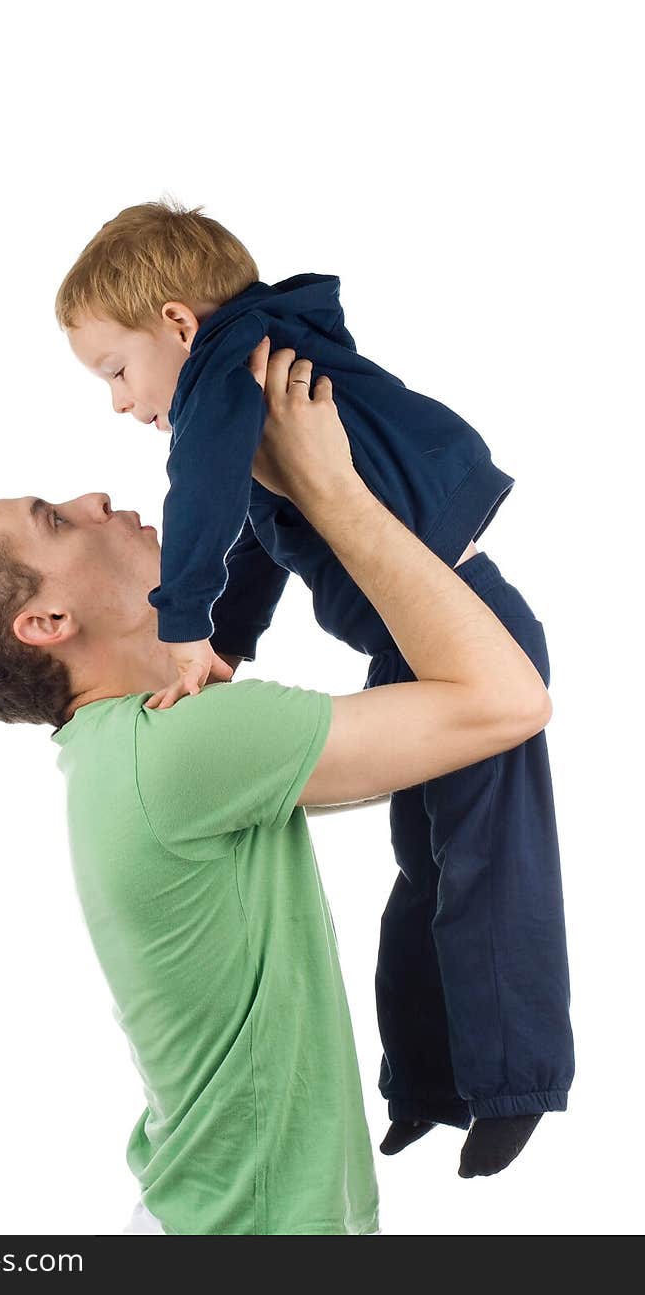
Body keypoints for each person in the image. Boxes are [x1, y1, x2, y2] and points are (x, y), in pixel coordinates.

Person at [0, 346, 553, 1232]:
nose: (93, 498)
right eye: (54, 519)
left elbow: (433, 739)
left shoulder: (130, 751)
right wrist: (331, 489)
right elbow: (509, 702)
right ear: (47, 622)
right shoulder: (183, 749)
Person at [56, 201, 574, 1174]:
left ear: (177, 324)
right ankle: (427, 1083)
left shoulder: (228, 372)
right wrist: (226, 643)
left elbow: (201, 497)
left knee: (489, 863)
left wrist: (180, 620)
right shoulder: (247, 383)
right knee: (425, 864)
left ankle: (515, 1082)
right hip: (412, 647)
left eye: (115, 370)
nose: (121, 403)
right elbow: (252, 525)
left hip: (474, 627)